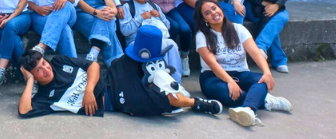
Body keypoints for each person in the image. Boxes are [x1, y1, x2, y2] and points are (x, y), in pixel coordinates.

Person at [17, 25, 223, 118]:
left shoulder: (59, 61)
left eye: (43, 63)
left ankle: (159, 77)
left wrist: (89, 90)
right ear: (33, 75)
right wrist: (29, 82)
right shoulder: (44, 97)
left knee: (144, 44)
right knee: (160, 98)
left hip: (113, 74)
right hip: (114, 98)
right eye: (38, 70)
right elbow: (24, 111)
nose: (45, 69)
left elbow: (94, 65)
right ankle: (194, 103)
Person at [194, 0, 293, 127]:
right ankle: (266, 100)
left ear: (220, 9)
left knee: (261, 80)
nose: (213, 13)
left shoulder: (238, 29)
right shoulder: (202, 35)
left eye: (214, 8)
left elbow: (255, 52)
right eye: (207, 13)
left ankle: (248, 110)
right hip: (213, 77)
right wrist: (230, 81)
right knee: (230, 95)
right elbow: (212, 64)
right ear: (204, 19)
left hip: (241, 72)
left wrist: (267, 72)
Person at [118, 0, 181, 82]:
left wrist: (160, 16)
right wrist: (140, 18)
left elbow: (168, 26)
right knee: (160, 45)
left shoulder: (154, 6)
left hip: (159, 39)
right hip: (136, 42)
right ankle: (161, 81)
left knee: (172, 44)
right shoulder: (127, 7)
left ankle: (176, 81)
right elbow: (125, 31)